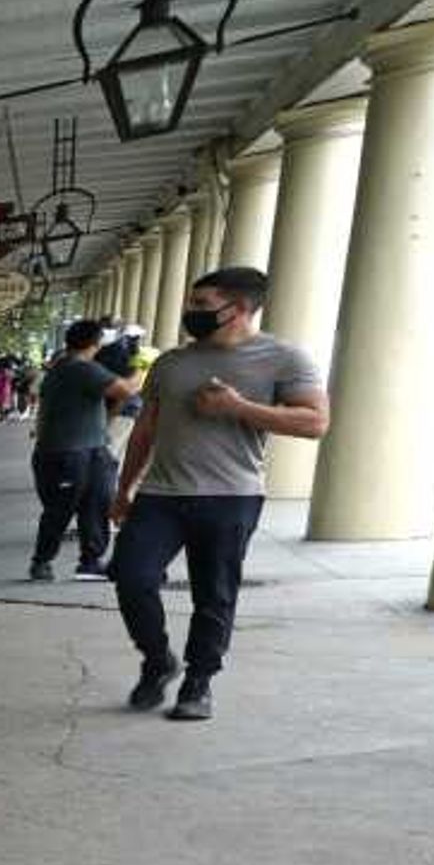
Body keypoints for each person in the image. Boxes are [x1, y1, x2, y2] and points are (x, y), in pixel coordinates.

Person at [107, 264, 329, 722]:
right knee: (131, 576)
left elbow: (315, 422)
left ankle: (198, 681)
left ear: (240, 308)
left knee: (214, 593)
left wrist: (237, 407)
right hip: (160, 494)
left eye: (203, 305)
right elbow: (145, 430)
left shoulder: (285, 359)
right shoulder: (172, 362)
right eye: (192, 302)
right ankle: (157, 659)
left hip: (230, 495)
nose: (192, 312)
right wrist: (123, 487)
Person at [27, 318, 136, 582]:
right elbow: (126, 390)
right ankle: (42, 561)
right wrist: (142, 368)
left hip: (87, 448)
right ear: (96, 343)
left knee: (96, 504)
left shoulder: (61, 367)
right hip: (69, 452)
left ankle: (90, 561)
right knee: (61, 509)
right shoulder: (81, 369)